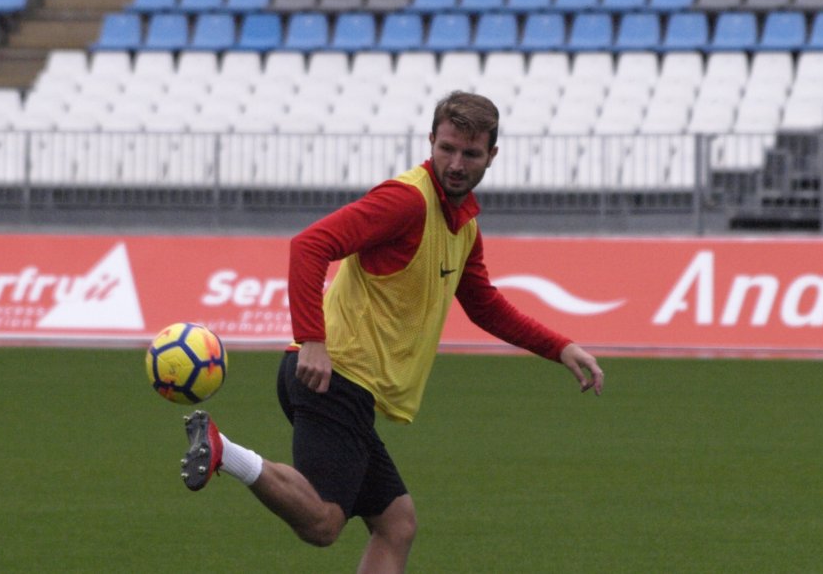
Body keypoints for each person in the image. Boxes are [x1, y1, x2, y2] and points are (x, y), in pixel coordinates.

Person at [180, 91, 605, 573]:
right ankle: (225, 452)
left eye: (470, 153)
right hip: (332, 375)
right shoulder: (406, 200)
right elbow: (309, 246)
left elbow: (485, 306)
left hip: (348, 385)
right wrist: (313, 340)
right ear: (430, 141)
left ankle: (226, 452)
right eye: (447, 148)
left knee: (397, 523)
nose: (456, 163)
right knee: (323, 523)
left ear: (492, 156)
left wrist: (561, 347)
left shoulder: (463, 227)